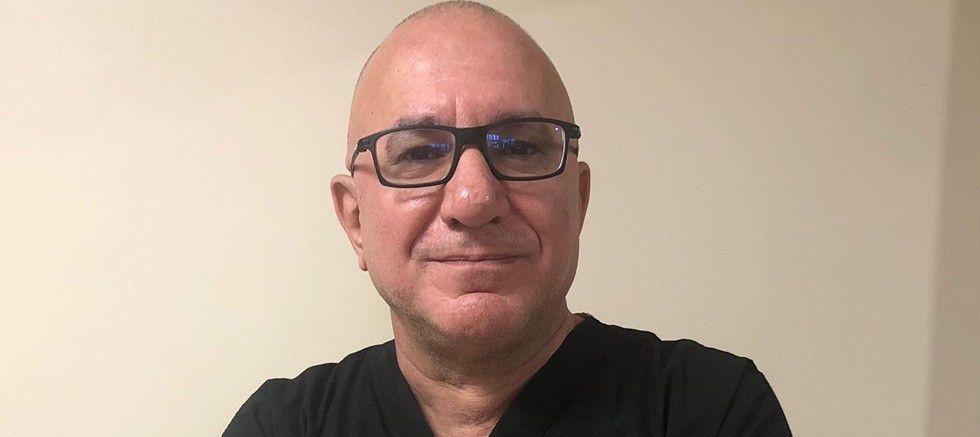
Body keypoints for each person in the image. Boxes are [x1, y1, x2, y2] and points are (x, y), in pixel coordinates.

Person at [224, 1, 791, 436]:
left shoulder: (708, 411)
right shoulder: (281, 426)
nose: (474, 199)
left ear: (578, 199)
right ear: (354, 221)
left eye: (520, 147)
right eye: (418, 153)